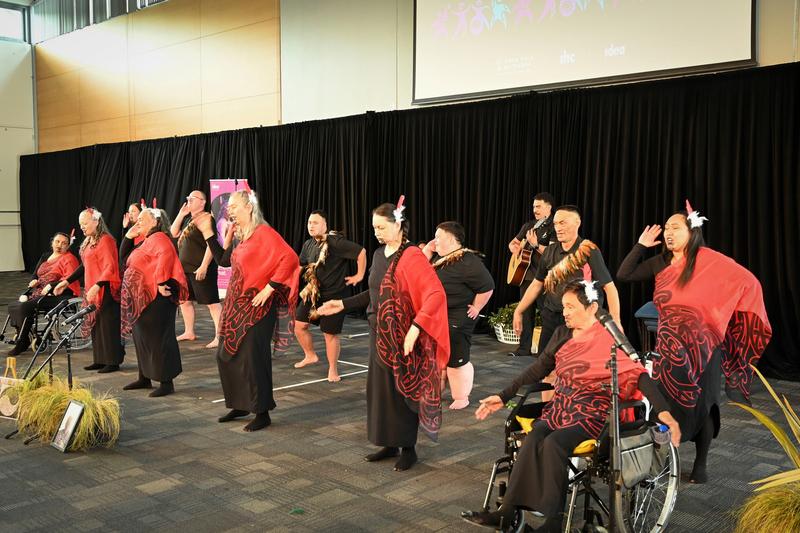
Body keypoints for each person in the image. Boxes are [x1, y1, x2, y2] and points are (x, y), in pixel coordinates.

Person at [462, 280, 681, 532]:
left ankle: (554, 522)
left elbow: (639, 375)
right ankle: (506, 512)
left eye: (570, 307)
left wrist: (665, 413)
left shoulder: (610, 337)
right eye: (563, 306)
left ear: (592, 308)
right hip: (561, 407)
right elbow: (538, 369)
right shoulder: (562, 334)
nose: (564, 312)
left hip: (594, 413)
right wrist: (503, 396)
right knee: (534, 437)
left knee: (555, 443)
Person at [616, 201, 772, 483]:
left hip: (704, 349)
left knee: (704, 404)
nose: (668, 233)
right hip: (669, 348)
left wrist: (725, 319)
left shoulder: (710, 261)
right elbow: (623, 275)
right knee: (664, 404)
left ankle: (701, 466)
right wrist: (640, 245)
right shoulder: (661, 262)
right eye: (666, 228)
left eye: (675, 227)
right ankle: (664, 462)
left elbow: (748, 282)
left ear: (692, 231)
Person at [317, 199, 450, 471]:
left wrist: (415, 329)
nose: (376, 232)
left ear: (398, 225)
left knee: (402, 391)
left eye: (381, 227)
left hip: (403, 336)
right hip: (378, 333)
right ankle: (389, 443)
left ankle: (408, 448)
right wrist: (342, 304)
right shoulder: (379, 255)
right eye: (374, 227)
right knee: (381, 392)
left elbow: (435, 294)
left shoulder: (412, 256)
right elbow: (375, 292)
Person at [193, 189, 300, 432]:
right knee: (226, 354)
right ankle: (240, 404)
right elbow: (224, 261)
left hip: (257, 308)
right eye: (228, 207)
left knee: (253, 359)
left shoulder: (264, 233)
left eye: (233, 206)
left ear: (249, 207)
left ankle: (262, 412)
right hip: (237, 305)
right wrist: (218, 237)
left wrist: (269, 289)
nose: (229, 210)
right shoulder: (242, 234)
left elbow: (290, 258)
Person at [513, 205, 621, 357]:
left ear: (577, 223)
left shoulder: (588, 250)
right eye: (556, 223)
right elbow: (537, 284)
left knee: (576, 366)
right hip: (551, 319)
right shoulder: (549, 251)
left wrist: (615, 321)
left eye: (563, 223)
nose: (558, 228)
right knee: (545, 365)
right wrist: (518, 311)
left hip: (580, 320)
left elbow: (609, 287)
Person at [422, 221, 494, 409]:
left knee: (456, 359)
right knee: (436, 357)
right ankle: (436, 391)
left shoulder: (468, 261)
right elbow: (418, 272)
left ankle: (461, 397)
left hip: (458, 318)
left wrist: (477, 307)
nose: (434, 240)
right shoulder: (439, 258)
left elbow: (487, 286)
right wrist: (428, 250)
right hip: (437, 316)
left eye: (438, 237)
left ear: (452, 239)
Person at [119, 208, 188, 397]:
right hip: (143, 297)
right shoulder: (146, 241)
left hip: (158, 297)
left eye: (142, 219)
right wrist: (128, 236)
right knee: (142, 338)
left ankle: (166, 383)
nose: (138, 222)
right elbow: (124, 259)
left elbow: (166, 256)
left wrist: (160, 282)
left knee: (159, 339)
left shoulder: (160, 238)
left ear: (156, 221)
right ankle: (144, 377)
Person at [294, 210, 366, 382]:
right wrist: (290, 281)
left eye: (315, 223)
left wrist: (359, 275)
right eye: (309, 222)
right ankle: (310, 355)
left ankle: (333, 369)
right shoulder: (308, 244)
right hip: (314, 293)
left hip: (334, 296)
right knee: (299, 325)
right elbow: (301, 265)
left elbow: (361, 252)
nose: (311, 226)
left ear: (325, 225)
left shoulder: (335, 242)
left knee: (330, 334)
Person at [54, 208, 124, 373]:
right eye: (81, 224)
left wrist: (98, 285)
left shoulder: (106, 240)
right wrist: (66, 281)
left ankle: (112, 361)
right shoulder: (88, 241)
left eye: (85, 223)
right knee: (96, 324)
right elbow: (84, 266)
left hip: (105, 288)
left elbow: (110, 266)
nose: (82, 227)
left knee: (108, 326)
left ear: (96, 221)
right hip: (92, 288)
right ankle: (100, 359)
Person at [6, 232, 80, 356]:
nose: (59, 245)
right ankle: (23, 334)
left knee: (25, 306)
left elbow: (69, 280)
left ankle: (22, 342)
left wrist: (52, 285)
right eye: (57, 241)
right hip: (41, 292)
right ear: (52, 242)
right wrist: (33, 281)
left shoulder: (69, 259)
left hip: (60, 294)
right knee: (14, 305)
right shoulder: (46, 256)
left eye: (64, 243)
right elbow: (35, 274)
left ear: (68, 246)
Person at [170, 190, 222, 348]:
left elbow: (211, 244)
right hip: (185, 269)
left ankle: (220, 336)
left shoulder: (207, 218)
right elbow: (173, 232)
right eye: (188, 198)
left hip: (200, 268)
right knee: (184, 301)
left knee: (212, 303)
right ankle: (189, 331)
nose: (189, 200)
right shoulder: (189, 219)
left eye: (192, 198)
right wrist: (181, 214)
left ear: (202, 202)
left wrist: (204, 266)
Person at [507, 193, 555, 357]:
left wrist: (535, 245)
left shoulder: (553, 227)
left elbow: (552, 253)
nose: (535, 210)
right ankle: (523, 349)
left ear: (549, 207)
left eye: (538, 206)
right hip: (525, 275)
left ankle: (545, 352)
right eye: (534, 206)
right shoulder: (529, 225)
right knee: (526, 312)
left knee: (545, 313)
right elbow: (513, 242)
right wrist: (514, 248)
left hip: (543, 277)